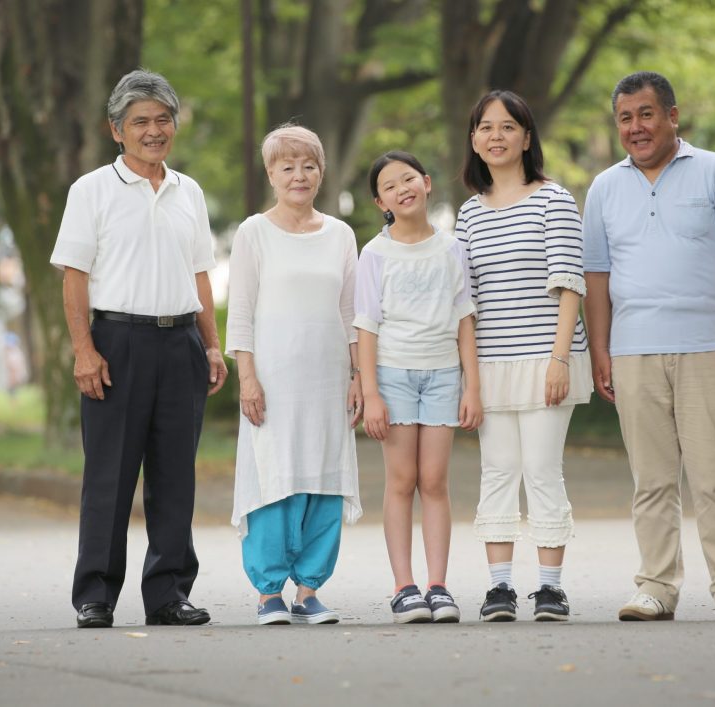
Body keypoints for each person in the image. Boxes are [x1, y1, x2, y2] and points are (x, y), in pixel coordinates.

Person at [582, 71, 715, 622]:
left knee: (714, 475)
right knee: (652, 481)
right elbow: (595, 276)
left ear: (672, 116)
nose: (636, 127)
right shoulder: (604, 187)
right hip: (634, 351)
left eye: (646, 114)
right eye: (625, 118)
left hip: (706, 346)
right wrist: (600, 351)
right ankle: (657, 586)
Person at [50, 69, 227, 629]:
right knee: (110, 474)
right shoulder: (91, 190)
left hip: (181, 345)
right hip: (116, 342)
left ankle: (169, 594)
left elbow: (200, 273)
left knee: (176, 476)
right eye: (140, 122)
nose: (154, 131)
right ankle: (95, 595)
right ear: (116, 131)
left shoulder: (189, 192)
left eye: (162, 119)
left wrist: (212, 345)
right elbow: (74, 277)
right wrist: (84, 350)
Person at [456, 91, 593, 622]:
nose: (496, 136)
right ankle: (499, 589)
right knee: (498, 471)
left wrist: (559, 360)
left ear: (527, 137)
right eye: (486, 127)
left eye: (508, 126)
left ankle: (551, 589)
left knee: (540, 470)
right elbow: (465, 302)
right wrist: (469, 378)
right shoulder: (468, 213)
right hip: (490, 364)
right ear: (474, 140)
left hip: (545, 359)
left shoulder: (553, 199)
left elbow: (569, 283)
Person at [226, 124, 362, 626]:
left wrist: (359, 377)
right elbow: (239, 313)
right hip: (274, 379)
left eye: (308, 166)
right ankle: (268, 593)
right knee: (274, 479)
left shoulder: (341, 235)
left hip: (328, 378)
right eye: (288, 167)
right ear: (271, 174)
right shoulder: (252, 233)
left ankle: (308, 589)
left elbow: (353, 315)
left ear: (322, 172)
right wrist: (247, 378)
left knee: (323, 479)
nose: (299, 176)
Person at [354, 151, 482, 624]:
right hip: (394, 376)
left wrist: (472, 386)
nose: (401, 188)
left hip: (444, 375)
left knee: (434, 481)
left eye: (409, 178)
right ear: (379, 201)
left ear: (426, 183)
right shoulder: (375, 253)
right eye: (389, 185)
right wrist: (371, 394)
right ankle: (404, 587)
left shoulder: (451, 248)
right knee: (402, 481)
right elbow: (365, 326)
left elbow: (465, 318)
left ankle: (438, 586)